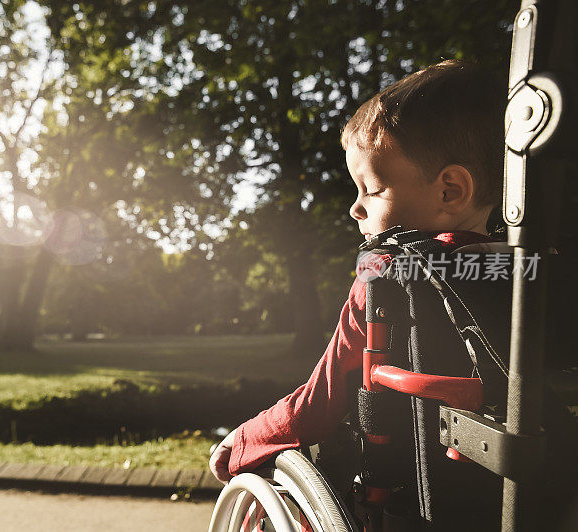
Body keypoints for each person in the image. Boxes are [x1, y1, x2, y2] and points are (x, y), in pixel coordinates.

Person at [209, 59, 507, 483]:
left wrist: (245, 440)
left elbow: (318, 403)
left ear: (450, 190)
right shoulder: (527, 270)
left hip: (412, 488)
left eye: (372, 188)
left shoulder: (385, 274)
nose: (355, 207)